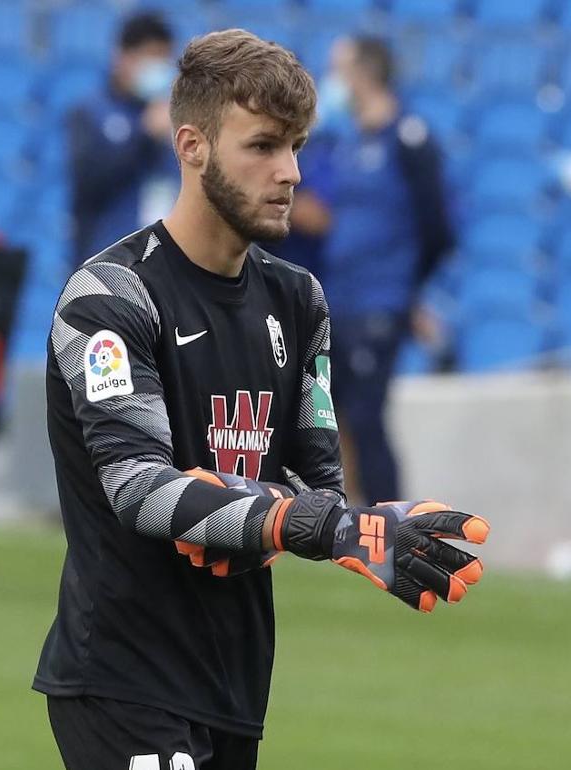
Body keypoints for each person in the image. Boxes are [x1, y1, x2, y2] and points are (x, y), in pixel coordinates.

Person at [33, 30, 489, 770]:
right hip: (123, 679)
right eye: (264, 147)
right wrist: (290, 518)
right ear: (193, 146)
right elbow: (138, 487)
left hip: (235, 684)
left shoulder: (299, 299)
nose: (291, 174)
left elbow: (318, 481)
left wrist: (361, 525)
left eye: (298, 147)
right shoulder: (110, 296)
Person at [290, 34, 454, 505]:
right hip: (340, 298)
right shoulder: (345, 141)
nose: (332, 79)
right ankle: (340, 517)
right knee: (331, 417)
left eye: (339, 68)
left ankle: (394, 521)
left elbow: (439, 229)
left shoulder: (409, 140)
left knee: (366, 416)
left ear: (365, 73)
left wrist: (407, 292)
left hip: (380, 302)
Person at [67, 11, 180, 269]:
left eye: (165, 58)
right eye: (151, 57)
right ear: (123, 57)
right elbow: (89, 183)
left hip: (164, 264)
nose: (160, 67)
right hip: (107, 263)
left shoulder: (174, 117)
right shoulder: (90, 112)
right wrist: (143, 136)